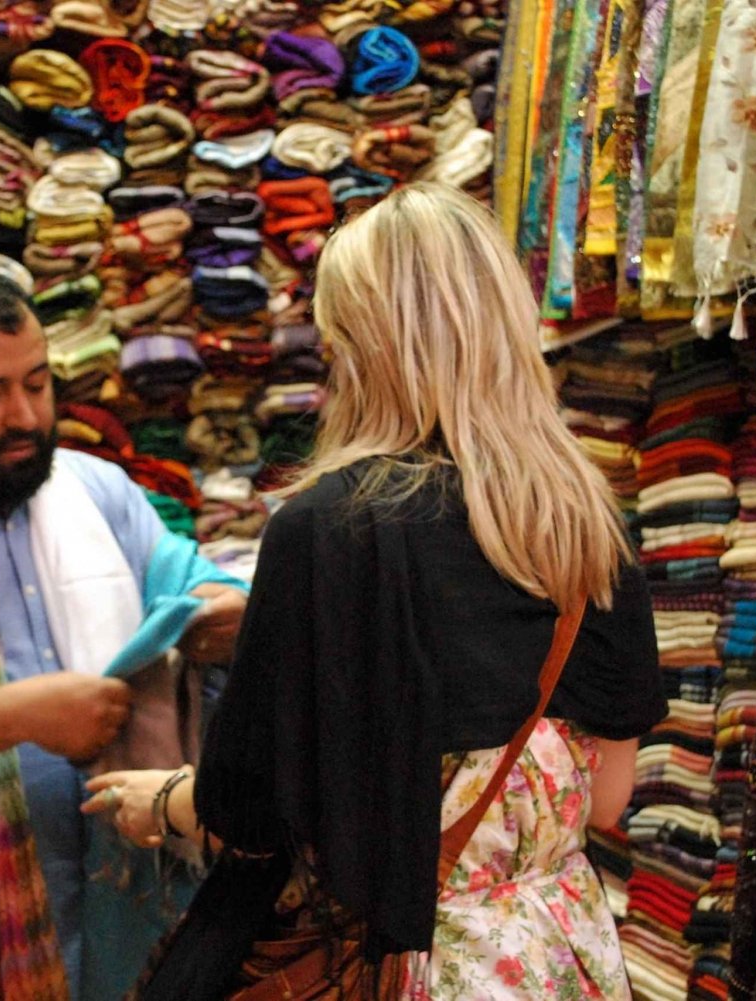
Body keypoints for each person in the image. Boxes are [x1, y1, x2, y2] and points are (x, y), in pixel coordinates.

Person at [86, 181, 666, 1000]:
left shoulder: (328, 530)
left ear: (360, 347)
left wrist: (166, 801)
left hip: (410, 965)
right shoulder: (587, 528)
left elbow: (257, 816)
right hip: (559, 951)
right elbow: (608, 800)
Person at [0, 267, 248, 1001]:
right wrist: (13, 717)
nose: (25, 416)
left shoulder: (98, 493)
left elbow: (195, 584)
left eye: (37, 383)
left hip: (114, 916)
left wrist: (222, 614)